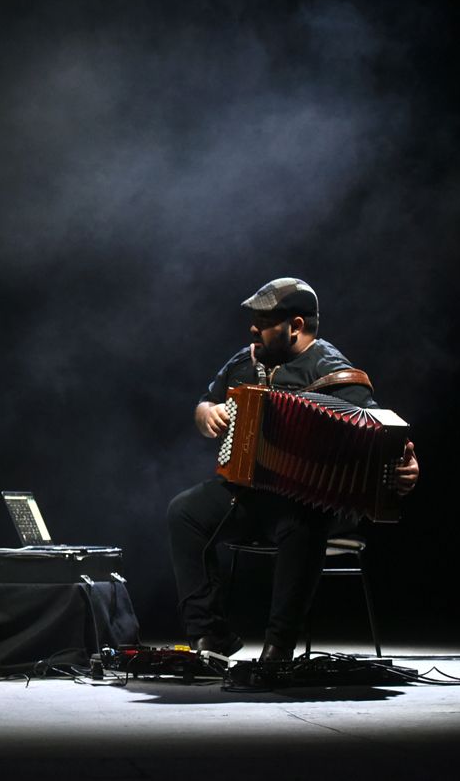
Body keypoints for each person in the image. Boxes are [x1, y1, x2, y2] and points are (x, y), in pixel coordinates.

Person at [166, 278, 419, 662]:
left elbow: (380, 437)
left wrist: (406, 466)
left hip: (309, 507)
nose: (253, 329)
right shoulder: (244, 360)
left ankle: (279, 647)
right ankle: (209, 635)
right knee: (183, 512)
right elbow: (204, 404)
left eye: (263, 321)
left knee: (303, 522)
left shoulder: (335, 375)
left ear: (295, 326)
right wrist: (208, 415)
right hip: (250, 493)